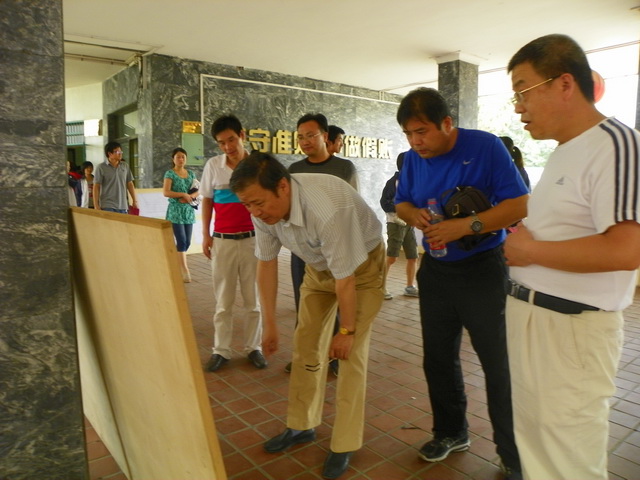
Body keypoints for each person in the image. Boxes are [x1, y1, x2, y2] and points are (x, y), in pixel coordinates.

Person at [504, 34, 640, 480]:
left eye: (523, 91)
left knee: (568, 460)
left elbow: (627, 249)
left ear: (564, 83)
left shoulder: (616, 143)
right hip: (533, 316)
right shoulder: (564, 152)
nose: (518, 107)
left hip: (572, 328)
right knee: (538, 448)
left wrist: (528, 249)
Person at [394, 87, 528, 478]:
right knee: (437, 357)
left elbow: (519, 204)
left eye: (421, 131)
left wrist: (465, 226)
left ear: (447, 123)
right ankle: (451, 432)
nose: (415, 142)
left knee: (497, 363)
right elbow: (402, 202)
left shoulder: (485, 147)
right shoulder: (414, 160)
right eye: (408, 134)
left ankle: (511, 453)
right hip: (436, 272)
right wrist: (414, 215)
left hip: (483, 269)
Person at [229, 151, 385, 480]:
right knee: (305, 345)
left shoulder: (326, 209)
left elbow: (346, 279)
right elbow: (266, 264)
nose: (255, 212)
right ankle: (302, 426)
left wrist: (346, 331)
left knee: (350, 356)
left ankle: (345, 443)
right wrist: (270, 324)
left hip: (362, 268)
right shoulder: (262, 211)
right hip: (319, 267)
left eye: (258, 203)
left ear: (282, 187)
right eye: (247, 205)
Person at [286, 114, 359, 376]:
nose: (305, 141)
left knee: (338, 302)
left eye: (310, 135)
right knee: (304, 304)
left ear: (325, 136)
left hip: (335, 248)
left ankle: (335, 357)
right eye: (300, 137)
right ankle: (305, 355)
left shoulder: (344, 168)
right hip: (304, 249)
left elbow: (352, 207)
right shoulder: (294, 170)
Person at [201, 115, 266, 372]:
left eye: (231, 140)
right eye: (221, 142)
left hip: (252, 240)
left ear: (242, 135)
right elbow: (207, 200)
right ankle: (221, 350)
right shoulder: (213, 166)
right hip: (223, 241)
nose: (227, 146)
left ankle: (254, 347)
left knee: (253, 300)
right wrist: (206, 235)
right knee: (223, 302)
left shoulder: (256, 165)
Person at [380, 151, 419, 300]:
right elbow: (384, 203)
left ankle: (410, 287)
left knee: (413, 256)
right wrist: (399, 210)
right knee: (392, 257)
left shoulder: (412, 181)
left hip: (409, 224)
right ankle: (380, 287)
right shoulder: (393, 182)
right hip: (395, 223)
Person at [163, 148, 199, 283]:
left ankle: (175, 262)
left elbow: (198, 190)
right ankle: (184, 269)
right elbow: (166, 192)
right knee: (182, 240)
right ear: (173, 159)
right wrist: (182, 194)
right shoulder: (170, 173)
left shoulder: (191, 174)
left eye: (183, 157)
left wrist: (190, 196)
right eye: (178, 157)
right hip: (175, 211)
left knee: (187, 242)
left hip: (188, 211)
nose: (181, 159)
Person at [93, 142, 138, 214]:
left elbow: (130, 184)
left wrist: (134, 200)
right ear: (109, 154)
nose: (120, 154)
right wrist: (96, 205)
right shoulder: (101, 167)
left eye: (121, 151)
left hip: (123, 205)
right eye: (117, 152)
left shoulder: (125, 166)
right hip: (107, 206)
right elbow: (96, 187)